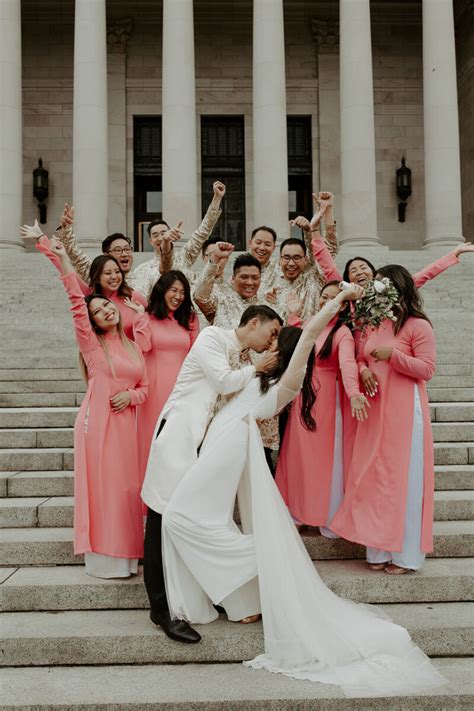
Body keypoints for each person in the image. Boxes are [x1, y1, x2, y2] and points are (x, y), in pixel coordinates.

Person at [161, 283, 445, 697]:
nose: (272, 343)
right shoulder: (255, 371)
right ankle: (244, 594)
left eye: (279, 339)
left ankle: (259, 560)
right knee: (192, 519)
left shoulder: (289, 380)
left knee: (179, 518)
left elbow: (310, 333)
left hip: (231, 446)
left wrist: (336, 301)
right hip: (219, 443)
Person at [141, 304, 281, 644]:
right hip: (177, 435)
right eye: (272, 332)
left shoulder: (242, 357)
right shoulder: (211, 338)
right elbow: (222, 381)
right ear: (253, 322)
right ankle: (161, 609)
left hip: (199, 443)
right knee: (161, 518)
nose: (272, 339)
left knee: (187, 519)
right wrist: (257, 368)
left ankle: (190, 597)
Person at [47, 239, 149, 579]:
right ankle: (104, 559)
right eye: (97, 312)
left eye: (107, 307)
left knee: (126, 490)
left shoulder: (133, 346)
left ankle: (127, 556)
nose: (105, 311)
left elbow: (145, 388)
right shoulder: (92, 346)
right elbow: (77, 303)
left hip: (126, 426)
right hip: (99, 423)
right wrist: (60, 255)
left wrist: (130, 398)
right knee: (105, 487)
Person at [330, 266, 436, 575]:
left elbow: (427, 369)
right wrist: (363, 369)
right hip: (375, 410)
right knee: (373, 477)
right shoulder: (375, 323)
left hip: (404, 411)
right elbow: (364, 355)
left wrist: (395, 356)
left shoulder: (418, 326)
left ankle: (405, 555)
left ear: (399, 290)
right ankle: (377, 549)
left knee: (404, 480)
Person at [275, 281, 369, 533]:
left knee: (319, 460)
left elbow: (348, 365)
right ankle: (296, 511)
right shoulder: (310, 324)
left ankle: (319, 513)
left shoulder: (342, 333)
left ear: (341, 304)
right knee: (295, 455)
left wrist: (354, 393)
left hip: (325, 401)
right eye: (323, 296)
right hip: (301, 397)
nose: (325, 300)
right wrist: (293, 314)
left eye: (332, 297)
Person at [125, 270, 199, 479]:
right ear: (162, 290)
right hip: (153, 391)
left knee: (178, 444)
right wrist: (140, 317)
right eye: (173, 290)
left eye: (182, 292)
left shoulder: (190, 320)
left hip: (182, 390)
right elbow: (143, 346)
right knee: (151, 442)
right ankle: (147, 505)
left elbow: (195, 355)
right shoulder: (146, 318)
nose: (178, 296)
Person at [24, 223, 148, 341]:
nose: (114, 276)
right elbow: (66, 270)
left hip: (134, 359)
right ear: (97, 277)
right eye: (108, 273)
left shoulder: (133, 297)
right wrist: (41, 238)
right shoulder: (91, 296)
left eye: (117, 271)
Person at [135, 181, 226, 296]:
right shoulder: (142, 270)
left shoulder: (183, 257)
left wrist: (217, 198)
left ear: (171, 235)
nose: (161, 238)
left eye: (164, 233)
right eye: (155, 235)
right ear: (150, 241)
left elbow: (202, 233)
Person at [194, 247, 264, 327]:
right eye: (244, 277)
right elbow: (200, 297)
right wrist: (214, 260)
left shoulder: (266, 305)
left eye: (255, 278)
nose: (249, 282)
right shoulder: (222, 301)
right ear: (233, 278)